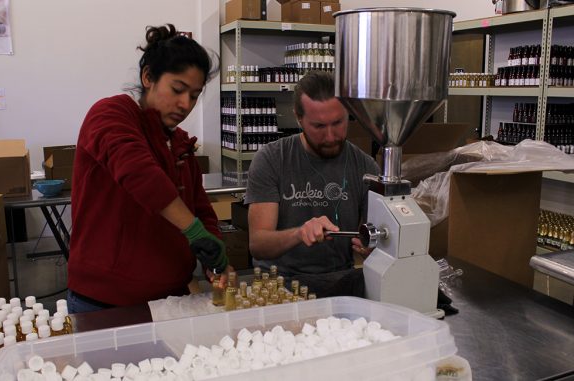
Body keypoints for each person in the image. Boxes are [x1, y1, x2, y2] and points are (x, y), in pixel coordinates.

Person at [67, 24, 230, 313]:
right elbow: (139, 173)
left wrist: (213, 253)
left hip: (172, 297)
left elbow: (200, 208)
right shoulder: (110, 115)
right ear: (148, 78)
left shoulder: (179, 143)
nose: (185, 104)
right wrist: (193, 232)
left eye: (194, 95)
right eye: (177, 89)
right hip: (106, 300)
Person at [244, 71, 380, 297]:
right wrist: (299, 233)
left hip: (340, 283)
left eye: (338, 123)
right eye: (318, 126)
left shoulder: (365, 167)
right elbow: (258, 244)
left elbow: (375, 240)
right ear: (298, 118)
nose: (330, 136)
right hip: (280, 285)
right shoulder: (272, 159)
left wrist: (371, 249)